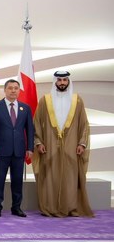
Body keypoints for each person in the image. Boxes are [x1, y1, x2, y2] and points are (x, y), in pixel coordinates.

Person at [32, 71, 93, 217]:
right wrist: (38, 142)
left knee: (71, 177)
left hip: (72, 147)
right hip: (49, 146)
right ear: (55, 82)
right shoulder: (45, 100)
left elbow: (84, 124)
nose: (62, 83)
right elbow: (36, 124)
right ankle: (50, 207)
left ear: (68, 82)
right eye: (59, 80)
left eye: (65, 80)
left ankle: (70, 207)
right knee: (50, 177)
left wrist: (82, 144)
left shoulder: (77, 100)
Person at [0, 79, 34, 218]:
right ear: (5, 90)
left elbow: (30, 130)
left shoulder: (25, 108)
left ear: (19, 90)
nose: (13, 90)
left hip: (19, 151)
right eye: (10, 88)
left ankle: (16, 207)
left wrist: (30, 148)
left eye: (16, 88)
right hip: (1, 151)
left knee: (17, 181)